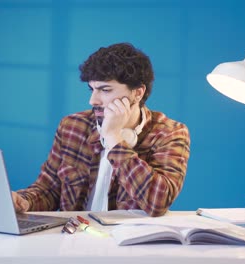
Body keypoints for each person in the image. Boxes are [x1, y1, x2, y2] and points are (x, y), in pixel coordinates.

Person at [12, 42, 190, 216]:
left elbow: (158, 203)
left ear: (137, 93)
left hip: (129, 242)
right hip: (75, 238)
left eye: (105, 90)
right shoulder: (72, 126)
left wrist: (113, 138)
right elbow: (49, 189)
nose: (93, 100)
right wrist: (25, 201)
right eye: (92, 89)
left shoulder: (170, 133)